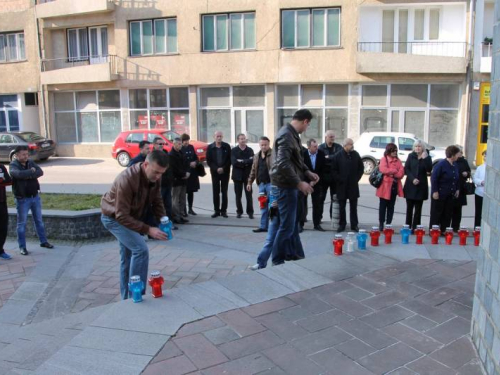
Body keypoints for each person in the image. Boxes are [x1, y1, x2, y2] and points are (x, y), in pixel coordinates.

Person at [101, 150, 169, 300]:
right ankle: (136, 294)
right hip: (113, 218)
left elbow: (157, 200)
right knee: (140, 249)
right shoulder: (127, 179)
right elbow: (121, 215)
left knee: (127, 257)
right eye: (156, 172)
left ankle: (128, 298)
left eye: (161, 173)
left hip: (129, 218)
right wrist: (148, 229)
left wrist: (163, 220)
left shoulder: (155, 177)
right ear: (146, 165)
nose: (158, 177)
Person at [270, 109, 319, 266]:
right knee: (286, 226)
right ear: (305, 121)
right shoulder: (286, 135)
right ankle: (277, 260)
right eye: (308, 124)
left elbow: (295, 160)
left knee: (291, 224)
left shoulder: (292, 134)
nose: (307, 128)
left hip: (289, 185)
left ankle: (295, 254)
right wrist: (299, 182)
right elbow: (282, 163)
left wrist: (307, 171)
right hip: (285, 186)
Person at [10, 146, 54, 256]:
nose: (26, 156)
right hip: (22, 199)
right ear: (17, 155)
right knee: (22, 224)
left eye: (27, 154)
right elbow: (18, 174)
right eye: (23, 154)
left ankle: (43, 242)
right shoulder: (13, 165)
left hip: (35, 197)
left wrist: (28, 173)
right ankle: (22, 247)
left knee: (39, 221)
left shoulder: (30, 162)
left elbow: (40, 172)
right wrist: (31, 172)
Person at [331, 138, 364, 232]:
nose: (352, 146)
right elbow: (333, 170)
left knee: (353, 207)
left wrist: (356, 178)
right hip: (342, 186)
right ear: (345, 145)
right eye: (350, 144)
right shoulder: (338, 156)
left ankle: (354, 225)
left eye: (352, 144)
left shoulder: (355, 154)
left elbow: (360, 168)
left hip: (353, 185)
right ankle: (342, 224)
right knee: (342, 206)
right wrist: (339, 179)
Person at [430, 145, 460, 234]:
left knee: (447, 213)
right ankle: (434, 231)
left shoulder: (455, 165)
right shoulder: (441, 164)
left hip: (450, 193)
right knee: (437, 213)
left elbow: (456, 178)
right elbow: (434, 178)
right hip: (440, 193)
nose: (459, 156)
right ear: (453, 155)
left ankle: (444, 230)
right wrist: (435, 191)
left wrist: (457, 189)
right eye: (457, 154)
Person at [403, 140, 432, 232]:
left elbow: (429, 169)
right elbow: (406, 169)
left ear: (422, 147)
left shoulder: (427, 157)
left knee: (418, 209)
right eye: (416, 146)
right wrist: (412, 179)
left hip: (421, 186)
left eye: (419, 146)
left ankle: (415, 227)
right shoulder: (411, 156)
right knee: (409, 208)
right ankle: (407, 226)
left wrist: (425, 159)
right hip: (411, 185)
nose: (417, 148)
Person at [376, 143, 404, 231]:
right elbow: (383, 169)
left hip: (394, 186)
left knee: (391, 207)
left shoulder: (398, 161)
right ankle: (381, 223)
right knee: (383, 206)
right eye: (393, 151)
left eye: (396, 151)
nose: (395, 152)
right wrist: (394, 171)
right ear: (389, 151)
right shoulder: (384, 159)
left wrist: (392, 173)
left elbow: (401, 173)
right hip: (384, 187)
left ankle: (388, 224)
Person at [250, 186, 279, 270]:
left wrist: (281, 202)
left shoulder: (290, 177)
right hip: (275, 213)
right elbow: (272, 199)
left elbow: (294, 193)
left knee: (287, 241)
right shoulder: (274, 182)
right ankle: (261, 263)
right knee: (270, 240)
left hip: (286, 213)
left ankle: (278, 263)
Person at [247, 136, 272, 233]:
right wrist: (249, 182)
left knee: (272, 206)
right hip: (261, 185)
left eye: (265, 145)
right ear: (259, 145)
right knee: (263, 206)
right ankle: (263, 226)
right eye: (262, 145)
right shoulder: (256, 156)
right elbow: (253, 170)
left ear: (269, 144)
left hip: (271, 185)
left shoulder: (273, 154)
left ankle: (273, 227)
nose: (264, 147)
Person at [302, 139, 327, 231]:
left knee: (317, 204)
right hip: (305, 183)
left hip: (317, 182)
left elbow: (323, 169)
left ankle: (316, 224)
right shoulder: (303, 154)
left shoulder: (321, 154)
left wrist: (315, 180)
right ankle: (300, 224)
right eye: (314, 146)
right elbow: (301, 169)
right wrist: (308, 182)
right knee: (302, 203)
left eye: (317, 146)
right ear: (309, 147)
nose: (317, 148)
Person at [206, 131, 231, 218]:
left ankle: (224, 211)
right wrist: (216, 168)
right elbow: (209, 161)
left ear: (222, 137)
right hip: (215, 173)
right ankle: (216, 210)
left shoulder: (226, 146)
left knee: (224, 192)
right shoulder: (210, 147)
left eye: (220, 136)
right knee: (215, 192)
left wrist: (223, 168)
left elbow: (229, 159)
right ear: (214, 137)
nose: (219, 138)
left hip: (225, 172)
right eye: (217, 136)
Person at [318, 130, 342, 219]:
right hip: (324, 176)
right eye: (330, 137)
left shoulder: (338, 147)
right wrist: (331, 158)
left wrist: (328, 157)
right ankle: (319, 217)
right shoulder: (320, 148)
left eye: (333, 137)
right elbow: (321, 160)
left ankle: (333, 217)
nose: (332, 138)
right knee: (321, 198)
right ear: (326, 137)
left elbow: (339, 157)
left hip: (334, 176)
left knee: (335, 198)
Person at [154, 138, 176, 230]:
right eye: (159, 144)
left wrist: (171, 179)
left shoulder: (166, 154)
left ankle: (169, 223)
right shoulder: (153, 156)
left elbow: (170, 168)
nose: (161, 145)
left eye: (162, 144)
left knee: (168, 204)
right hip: (159, 185)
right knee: (159, 205)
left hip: (168, 183)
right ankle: (159, 224)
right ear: (154, 145)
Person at [231, 134, 255, 219]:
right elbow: (234, 162)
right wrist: (246, 162)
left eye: (244, 139)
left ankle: (250, 212)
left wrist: (241, 161)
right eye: (241, 139)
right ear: (238, 140)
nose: (243, 140)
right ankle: (239, 212)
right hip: (237, 176)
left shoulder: (250, 150)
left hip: (248, 177)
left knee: (249, 195)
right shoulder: (234, 150)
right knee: (238, 195)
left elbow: (252, 161)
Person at [169, 138, 190, 225]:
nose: (180, 145)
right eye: (178, 144)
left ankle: (181, 215)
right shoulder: (171, 155)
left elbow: (186, 164)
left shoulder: (182, 153)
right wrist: (184, 174)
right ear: (173, 144)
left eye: (180, 144)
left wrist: (188, 172)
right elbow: (174, 169)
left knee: (182, 198)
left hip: (183, 180)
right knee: (175, 199)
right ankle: (176, 217)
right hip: (176, 180)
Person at [451, 145, 471, 232]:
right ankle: (448, 226)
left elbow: (469, 171)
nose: (460, 154)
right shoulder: (452, 161)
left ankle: (456, 227)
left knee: (458, 209)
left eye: (461, 152)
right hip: (452, 187)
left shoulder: (464, 161)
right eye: (459, 152)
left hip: (461, 188)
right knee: (450, 208)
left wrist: (466, 173)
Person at [181, 133, 200, 216]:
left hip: (192, 173)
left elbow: (196, 157)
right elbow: (181, 161)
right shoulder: (180, 149)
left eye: (187, 140)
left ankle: (190, 209)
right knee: (184, 192)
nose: (186, 142)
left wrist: (195, 162)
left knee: (191, 192)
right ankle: (183, 210)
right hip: (185, 172)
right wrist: (189, 164)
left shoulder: (191, 147)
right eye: (184, 141)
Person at [0, 163, 12, 260]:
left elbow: (8, 180)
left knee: (3, 227)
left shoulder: (1, 166)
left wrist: (2, 180)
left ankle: (1, 250)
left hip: (2, 202)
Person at [473, 150, 487, 227]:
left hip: (488, 194)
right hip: (479, 192)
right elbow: (475, 178)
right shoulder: (480, 168)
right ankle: (477, 227)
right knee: (478, 212)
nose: (485, 157)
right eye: (484, 156)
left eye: (486, 156)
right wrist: (481, 182)